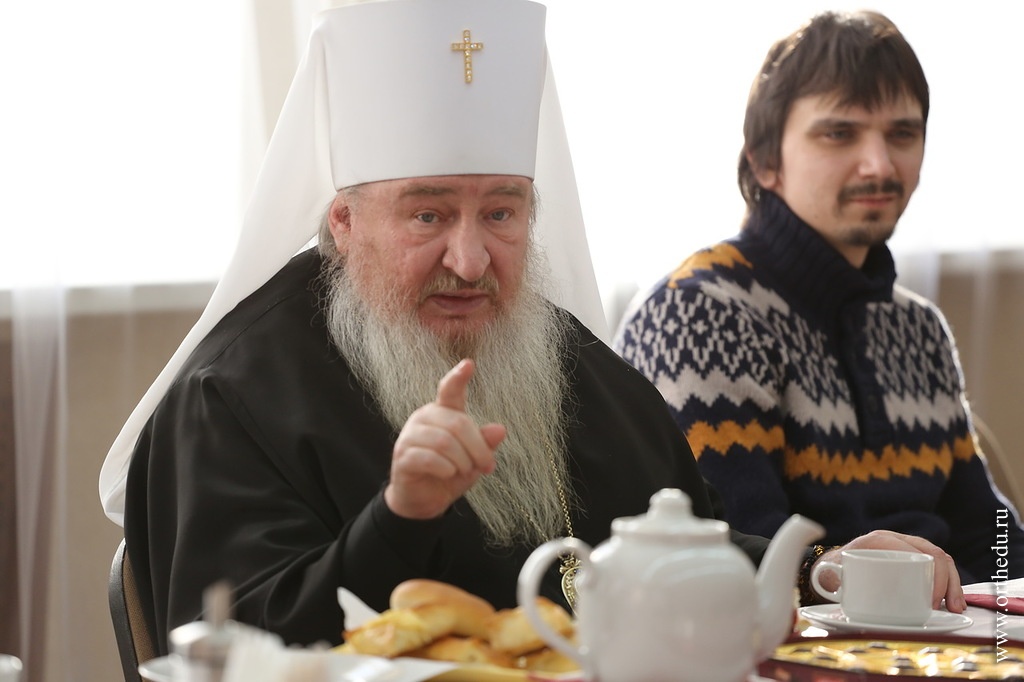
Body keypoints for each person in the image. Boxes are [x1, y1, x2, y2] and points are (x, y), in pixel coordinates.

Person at [99, 1, 963, 655]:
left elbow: (667, 548)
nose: (470, 258)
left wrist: (820, 567)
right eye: (428, 214)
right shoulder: (230, 398)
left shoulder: (571, 364)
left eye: (502, 213)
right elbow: (241, 651)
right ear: (344, 222)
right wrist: (400, 516)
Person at [614, 10, 1024, 586]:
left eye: (902, 134)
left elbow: (993, 537)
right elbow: (737, 559)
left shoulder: (919, 327)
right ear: (765, 161)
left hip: (950, 635)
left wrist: (1003, 607)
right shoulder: (698, 314)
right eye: (839, 133)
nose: (880, 164)